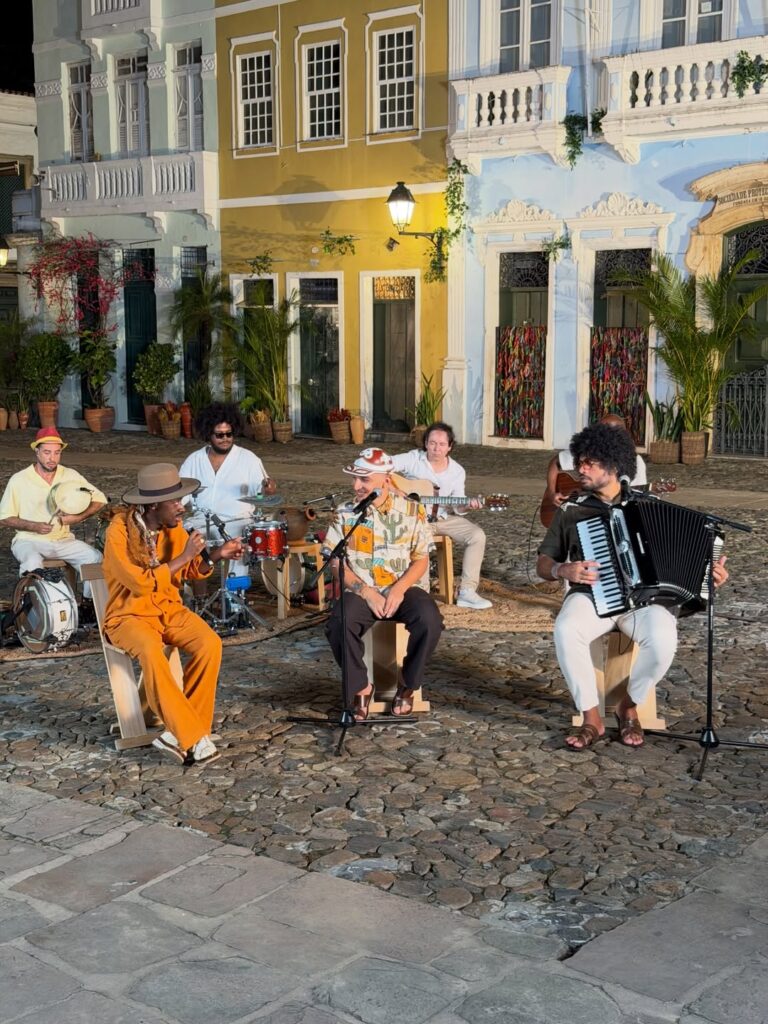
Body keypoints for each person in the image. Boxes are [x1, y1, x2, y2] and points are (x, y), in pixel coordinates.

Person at [536, 422, 728, 751]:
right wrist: (562, 569)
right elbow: (543, 564)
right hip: (591, 598)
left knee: (664, 640)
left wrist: (709, 575)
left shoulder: (649, 505)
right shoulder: (572, 510)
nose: (580, 469)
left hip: (643, 602)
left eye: (589, 463)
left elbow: (685, 555)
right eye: (579, 461)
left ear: (612, 466)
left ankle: (628, 705)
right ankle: (591, 718)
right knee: (566, 629)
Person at [102, 463, 243, 765]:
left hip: (169, 610)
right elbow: (139, 583)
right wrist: (185, 555)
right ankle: (193, 736)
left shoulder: (173, 527)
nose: (182, 507)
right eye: (175, 501)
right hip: (128, 617)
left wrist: (217, 555)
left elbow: (190, 570)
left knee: (210, 643)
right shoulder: (118, 531)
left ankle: (178, 734)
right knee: (152, 652)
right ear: (153, 505)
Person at [323, 447, 444, 721]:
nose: (356, 485)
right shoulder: (345, 512)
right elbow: (335, 562)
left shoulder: (412, 510)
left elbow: (421, 559)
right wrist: (366, 592)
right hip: (362, 590)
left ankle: (408, 685)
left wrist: (399, 590)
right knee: (339, 622)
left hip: (404, 588)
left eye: (364, 479)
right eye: (355, 478)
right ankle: (361, 687)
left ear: (385, 480)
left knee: (430, 621)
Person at [391, 422, 491, 610]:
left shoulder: (457, 471)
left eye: (442, 444)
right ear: (425, 443)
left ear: (450, 447)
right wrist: (394, 490)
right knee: (421, 539)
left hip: (441, 518)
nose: (436, 448)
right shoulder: (413, 459)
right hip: (414, 520)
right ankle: (420, 595)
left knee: (477, 535)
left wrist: (468, 505)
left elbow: (458, 504)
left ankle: (467, 591)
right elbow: (381, 465)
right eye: (432, 443)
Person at [0, 427, 106, 600]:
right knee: (32, 562)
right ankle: (35, 607)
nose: (52, 458)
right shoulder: (19, 479)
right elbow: (3, 517)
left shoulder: (70, 475)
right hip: (28, 540)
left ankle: (89, 604)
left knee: (94, 557)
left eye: (57, 453)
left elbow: (99, 499)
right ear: (37, 451)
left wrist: (78, 517)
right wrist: (33, 526)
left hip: (63, 540)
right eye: (47, 452)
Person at [179, 402, 276, 577]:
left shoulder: (249, 459)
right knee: (182, 536)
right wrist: (175, 507)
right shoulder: (194, 460)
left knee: (240, 540)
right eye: (219, 435)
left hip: (237, 520)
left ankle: (235, 591)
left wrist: (268, 489)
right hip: (203, 520)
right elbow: (181, 493)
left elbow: (262, 492)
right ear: (208, 434)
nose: (225, 438)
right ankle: (196, 587)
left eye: (229, 434)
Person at [542, 413, 647, 516]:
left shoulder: (635, 461)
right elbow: (555, 462)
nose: (598, 434)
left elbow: (637, 496)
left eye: (604, 431)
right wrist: (551, 493)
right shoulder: (586, 450)